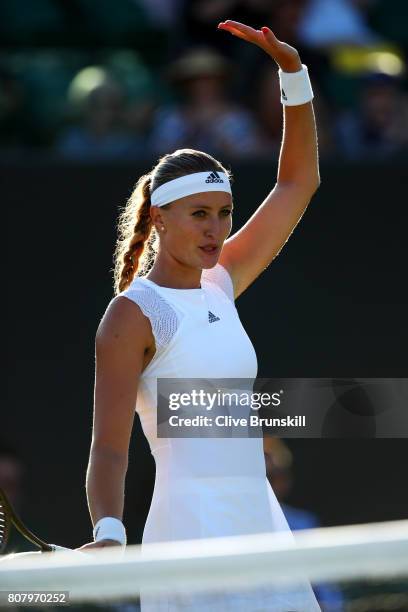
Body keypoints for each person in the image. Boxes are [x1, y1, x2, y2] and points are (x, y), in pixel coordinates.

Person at [76, 19, 321, 611]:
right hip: (191, 530)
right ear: (160, 219)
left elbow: (299, 180)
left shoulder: (220, 281)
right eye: (200, 215)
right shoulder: (131, 316)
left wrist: (294, 76)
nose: (217, 230)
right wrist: (110, 531)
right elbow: (108, 448)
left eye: (224, 212)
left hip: (262, 521)